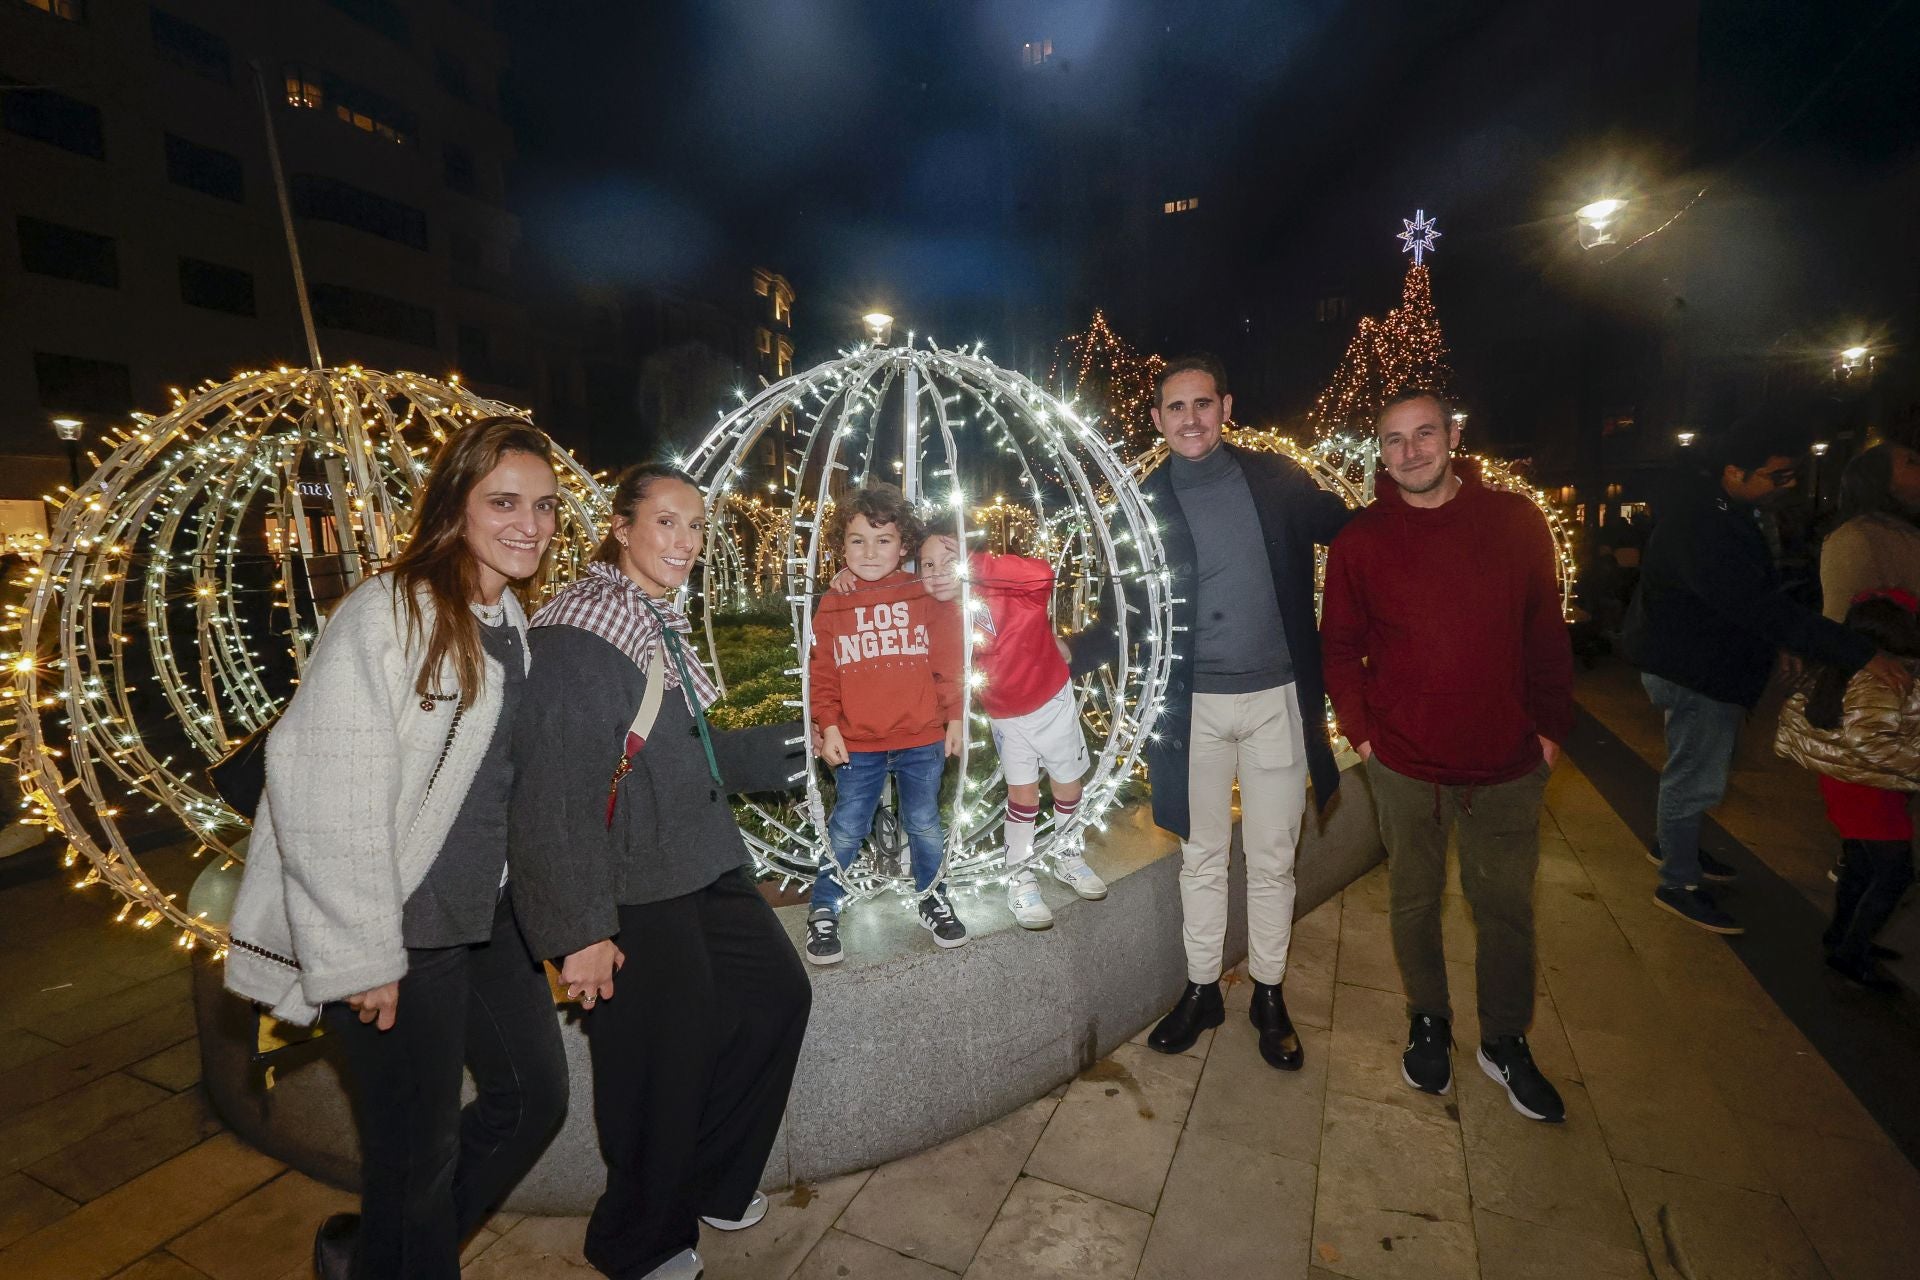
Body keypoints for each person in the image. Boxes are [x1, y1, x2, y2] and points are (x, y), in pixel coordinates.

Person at [225, 418, 568, 1280]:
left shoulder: (507, 619)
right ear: (456, 504)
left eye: (546, 506)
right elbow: (322, 793)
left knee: (533, 1101)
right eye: (504, 501)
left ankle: (379, 1256)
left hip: (484, 920)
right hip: (398, 932)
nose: (531, 523)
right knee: (416, 1158)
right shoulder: (388, 615)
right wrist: (361, 953)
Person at [507, 463, 812, 1280]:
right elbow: (553, 799)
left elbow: (674, 751)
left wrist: (785, 748)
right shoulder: (579, 634)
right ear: (623, 526)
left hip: (702, 859)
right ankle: (637, 1238)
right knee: (658, 1063)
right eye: (668, 522)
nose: (686, 542)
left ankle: (714, 1178)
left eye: (698, 527)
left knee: (778, 996)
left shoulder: (655, 621)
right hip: (631, 882)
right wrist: (579, 931)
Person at [1086, 354, 1352, 1071]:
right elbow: (1124, 612)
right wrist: (1057, 657)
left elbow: (1355, 533)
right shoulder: (1138, 502)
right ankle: (1202, 989)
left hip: (1276, 701)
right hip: (1190, 707)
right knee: (1200, 857)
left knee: (1272, 858)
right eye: (1176, 408)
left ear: (1226, 407)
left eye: (1203, 404)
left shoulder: (1274, 480)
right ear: (1157, 419)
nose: (1192, 419)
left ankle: (1269, 992)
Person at [1321, 388, 1574, 1122]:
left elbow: (1545, 632)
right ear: (1381, 450)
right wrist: (1365, 738)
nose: (1411, 452)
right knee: (1413, 901)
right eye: (1395, 440)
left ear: (1453, 434)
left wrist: (1549, 733)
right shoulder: (1361, 541)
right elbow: (1340, 649)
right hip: (1404, 764)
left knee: (1504, 910)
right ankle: (1427, 1018)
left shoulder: (1515, 522)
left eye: (1424, 434)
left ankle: (1504, 1040)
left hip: (1506, 764)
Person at [1622, 417, 1910, 934]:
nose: (1790, 484)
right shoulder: (1702, 522)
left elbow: (1753, 601)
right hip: (1692, 668)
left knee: (1696, 765)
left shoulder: (1723, 507)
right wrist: (1857, 653)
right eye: (1778, 476)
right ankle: (1677, 881)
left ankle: (1675, 843)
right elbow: (1753, 604)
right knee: (1695, 774)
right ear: (1735, 472)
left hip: (1694, 659)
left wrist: (1776, 643)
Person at [805, 482, 968, 963]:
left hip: (921, 736)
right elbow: (822, 671)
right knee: (847, 825)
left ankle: (932, 895)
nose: (870, 551)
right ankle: (824, 905)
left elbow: (948, 662)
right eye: (857, 540)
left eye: (883, 540)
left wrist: (955, 717)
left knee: (923, 822)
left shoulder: (925, 594)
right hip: (857, 742)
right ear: (842, 545)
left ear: (904, 546)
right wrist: (828, 724)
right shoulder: (836, 600)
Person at [917, 533, 1108, 928]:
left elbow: (1042, 574)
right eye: (927, 565)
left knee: (1067, 785)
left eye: (947, 562)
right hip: (1005, 714)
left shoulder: (1007, 589)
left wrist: (980, 566)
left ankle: (1067, 854)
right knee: (1021, 793)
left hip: (1051, 700)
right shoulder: (937, 613)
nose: (937, 574)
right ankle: (1018, 874)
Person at [1776, 589, 1920, 992]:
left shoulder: (1839, 664)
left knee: (1861, 864)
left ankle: (1842, 935)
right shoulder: (1882, 677)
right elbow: (1869, 741)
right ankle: (1851, 952)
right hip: (1869, 790)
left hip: (1848, 784)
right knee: (1896, 875)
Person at [1819, 442, 1920, 621]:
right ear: (1881, 480)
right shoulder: (1854, 538)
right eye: (1911, 462)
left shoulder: (1905, 531)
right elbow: (1842, 618)